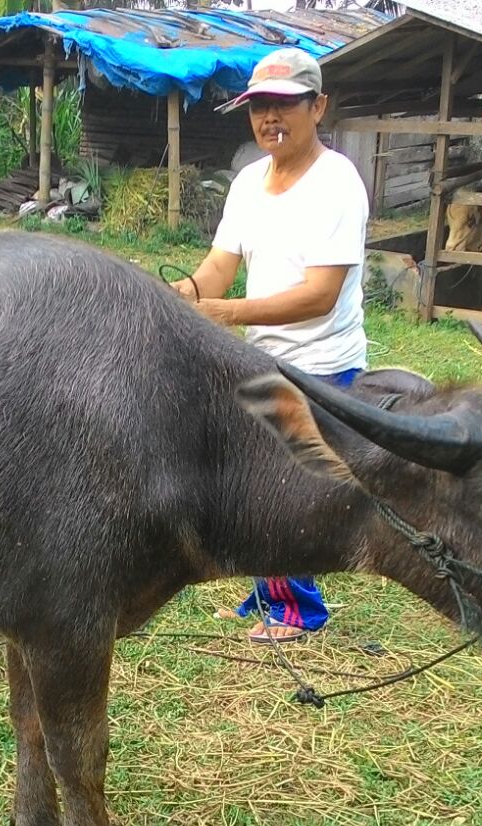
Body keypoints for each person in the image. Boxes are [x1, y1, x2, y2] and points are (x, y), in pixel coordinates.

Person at [172, 48, 370, 644]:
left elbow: (319, 296)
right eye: (260, 107)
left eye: (285, 105)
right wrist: (177, 295)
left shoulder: (337, 183)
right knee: (254, 479)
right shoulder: (247, 183)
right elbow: (218, 267)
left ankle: (297, 610)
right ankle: (267, 591)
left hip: (320, 362)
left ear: (319, 107)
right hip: (262, 357)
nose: (270, 119)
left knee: (289, 487)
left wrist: (224, 312)